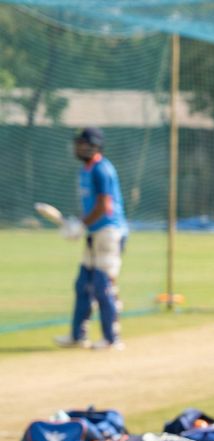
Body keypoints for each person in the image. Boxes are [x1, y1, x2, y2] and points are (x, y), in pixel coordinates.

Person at [54, 127, 127, 350]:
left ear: (95, 146)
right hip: (94, 233)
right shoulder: (85, 170)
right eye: (77, 143)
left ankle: (111, 339)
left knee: (101, 285)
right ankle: (78, 335)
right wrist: (78, 223)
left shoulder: (102, 169)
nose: (78, 147)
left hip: (109, 233)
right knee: (82, 284)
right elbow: (90, 206)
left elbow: (105, 206)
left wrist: (82, 225)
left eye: (82, 143)